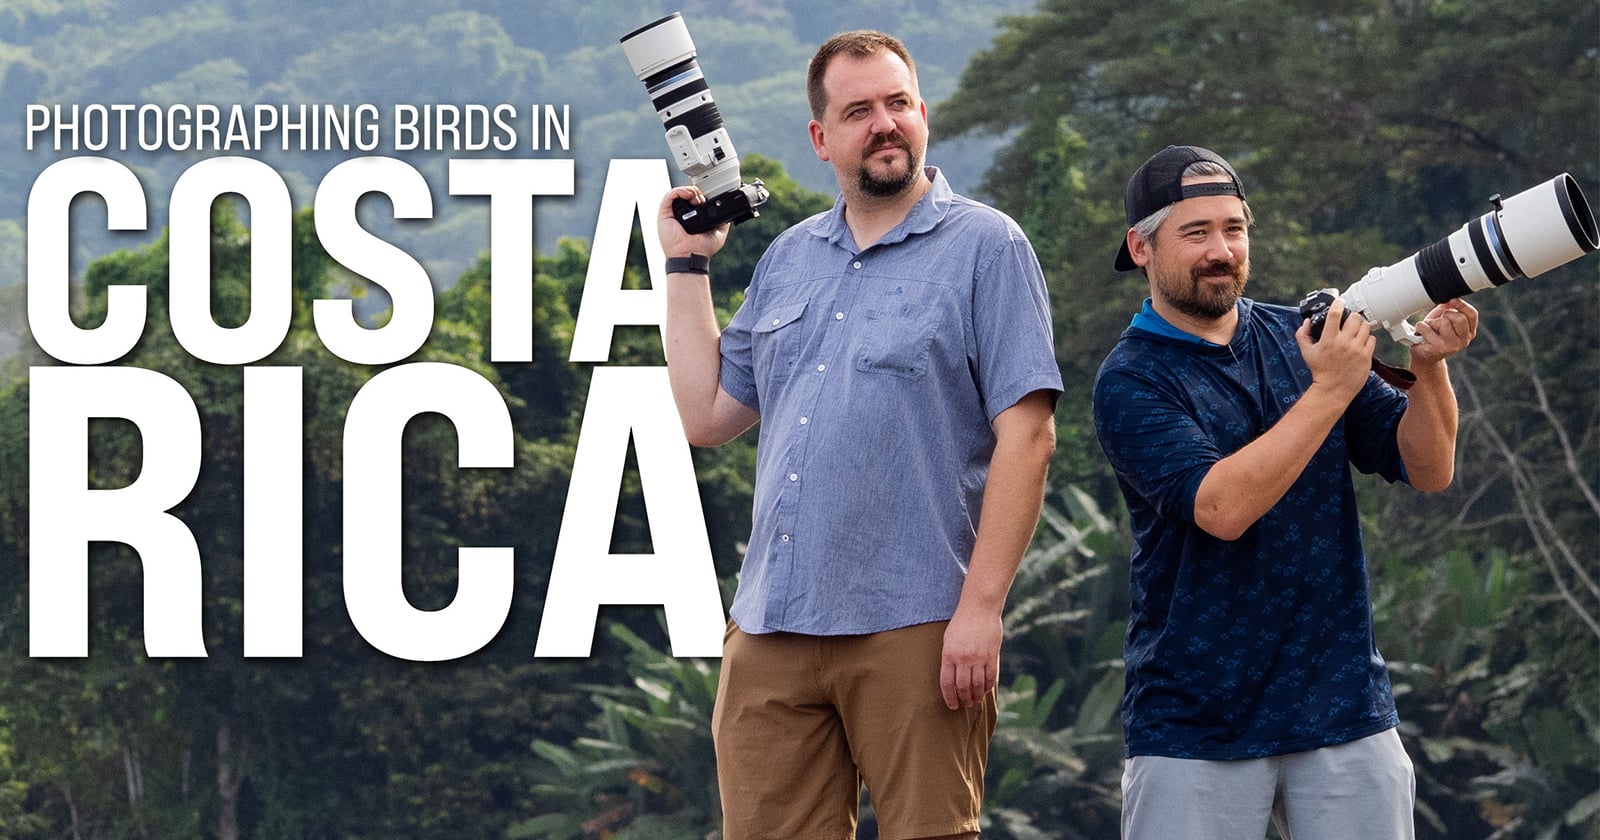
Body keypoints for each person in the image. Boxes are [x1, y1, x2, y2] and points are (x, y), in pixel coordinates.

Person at [657, 29, 1062, 840]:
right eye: (859, 111)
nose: (885, 124)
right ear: (821, 138)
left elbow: (1029, 436)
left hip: (915, 622)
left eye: (899, 104)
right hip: (771, 624)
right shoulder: (788, 259)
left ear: (923, 116)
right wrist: (686, 265)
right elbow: (706, 417)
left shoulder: (988, 246)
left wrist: (981, 609)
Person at [1092, 144, 1478, 839]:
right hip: (1194, 721)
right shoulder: (1132, 379)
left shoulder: (1297, 337)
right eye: (1196, 232)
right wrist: (1329, 388)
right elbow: (1222, 508)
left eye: (1234, 229)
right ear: (1140, 248)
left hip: (1342, 705)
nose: (1222, 250)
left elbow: (1428, 468)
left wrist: (1428, 365)